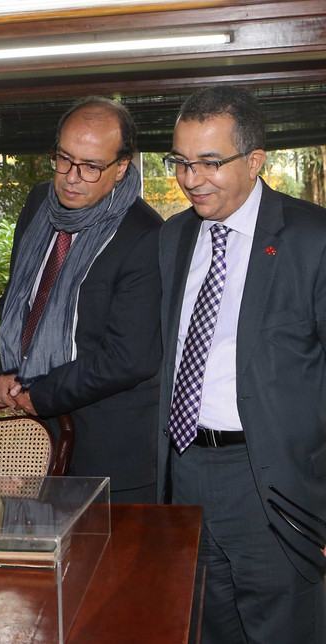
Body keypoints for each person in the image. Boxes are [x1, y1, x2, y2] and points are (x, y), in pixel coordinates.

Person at [159, 86, 326, 643]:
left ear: (255, 161)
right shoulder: (173, 237)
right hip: (183, 474)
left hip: (274, 483)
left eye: (210, 162)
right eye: (181, 162)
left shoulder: (311, 238)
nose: (191, 178)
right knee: (204, 627)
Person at [0, 97, 162, 502]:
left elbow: (130, 357)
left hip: (108, 453)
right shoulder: (37, 205)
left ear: (121, 167)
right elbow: (21, 302)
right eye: (63, 159)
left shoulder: (146, 235)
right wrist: (8, 372)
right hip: (30, 440)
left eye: (90, 166)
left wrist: (40, 392)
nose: (70, 177)